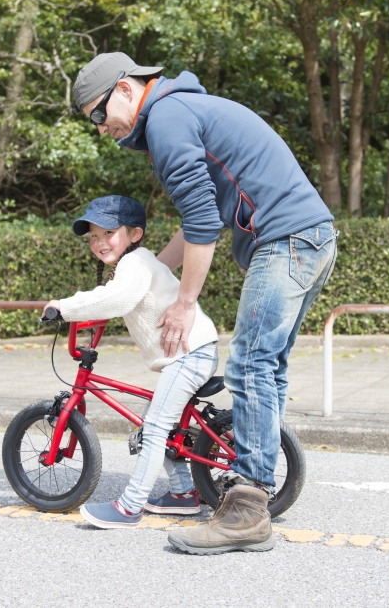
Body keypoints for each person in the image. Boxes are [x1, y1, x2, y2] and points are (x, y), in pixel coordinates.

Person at [72, 52, 337, 554]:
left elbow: (201, 224)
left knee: (252, 367)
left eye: (96, 114)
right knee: (267, 368)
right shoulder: (182, 111)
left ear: (125, 90)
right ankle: (252, 491)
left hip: (285, 240)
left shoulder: (170, 119)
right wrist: (157, 272)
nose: (98, 127)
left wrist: (184, 302)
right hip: (312, 237)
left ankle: (246, 509)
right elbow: (209, 210)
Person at [45, 195, 220, 530]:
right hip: (192, 353)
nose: (98, 242)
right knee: (157, 423)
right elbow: (118, 299)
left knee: (154, 428)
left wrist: (63, 307)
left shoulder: (136, 263)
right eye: (93, 236)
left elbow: (115, 299)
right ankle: (184, 493)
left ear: (134, 234)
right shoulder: (135, 265)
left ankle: (129, 507)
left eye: (108, 232)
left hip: (191, 354)